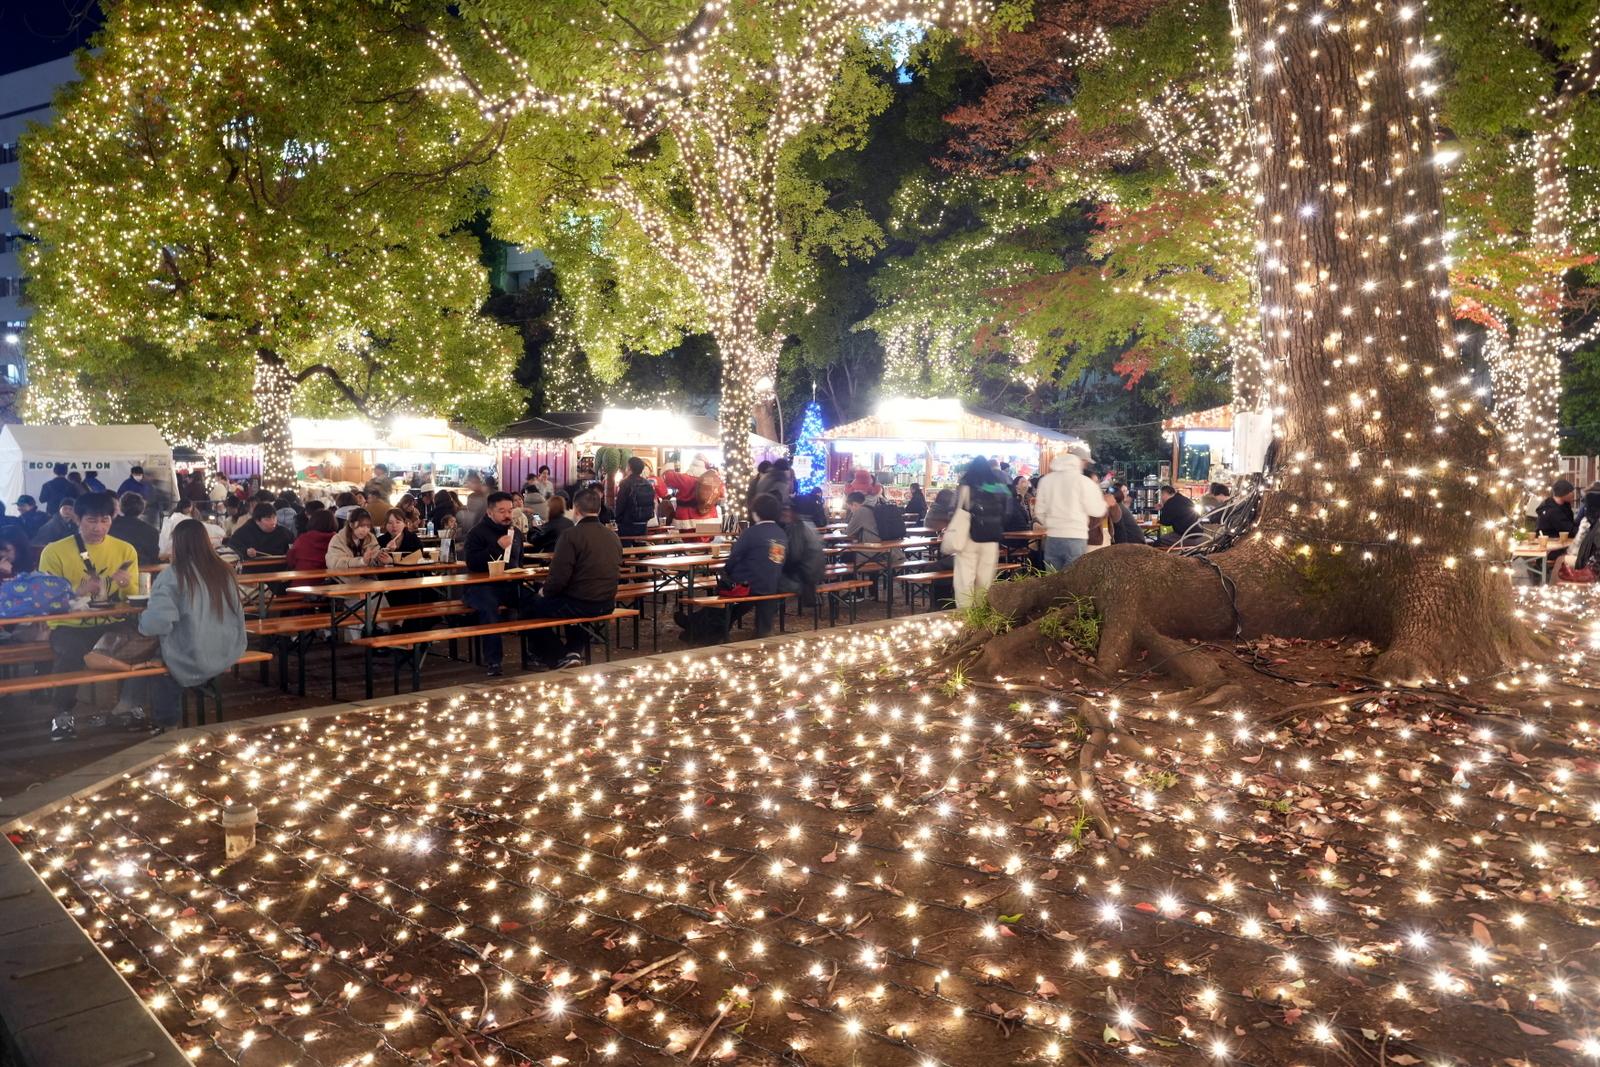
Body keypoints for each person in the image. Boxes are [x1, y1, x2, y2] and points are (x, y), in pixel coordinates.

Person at [38, 492, 140, 741]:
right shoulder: (55, 552)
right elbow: (46, 599)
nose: (99, 527)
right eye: (91, 520)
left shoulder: (125, 550)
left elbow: (134, 595)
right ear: (77, 519)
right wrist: (77, 592)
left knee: (139, 643)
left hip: (111, 622)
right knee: (70, 653)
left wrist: (126, 584)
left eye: (105, 520)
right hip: (69, 624)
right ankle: (62, 714)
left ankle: (127, 706)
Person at [134, 518, 248, 734]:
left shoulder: (173, 575)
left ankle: (166, 724)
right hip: (228, 648)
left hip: (192, 653)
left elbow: (156, 624)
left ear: (176, 545)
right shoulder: (224, 570)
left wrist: (140, 621)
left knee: (154, 665)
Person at [525, 487, 621, 668]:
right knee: (569, 602)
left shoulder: (571, 535)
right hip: (607, 602)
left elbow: (559, 577)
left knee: (530, 608)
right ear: (599, 510)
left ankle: (559, 655)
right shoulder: (612, 536)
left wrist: (544, 591)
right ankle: (573, 651)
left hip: (580, 603)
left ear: (575, 510)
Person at [462, 492, 529, 676]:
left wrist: (521, 574)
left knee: (536, 602)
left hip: (510, 585)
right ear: (490, 512)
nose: (507, 515)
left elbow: (519, 561)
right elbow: (472, 563)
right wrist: (496, 546)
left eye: (510, 510)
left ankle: (536, 653)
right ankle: (494, 661)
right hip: (481, 587)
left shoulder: (515, 533)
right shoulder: (476, 533)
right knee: (489, 608)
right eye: (502, 511)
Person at [720, 493, 789, 636]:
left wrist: (726, 572)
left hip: (748, 584)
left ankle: (706, 625)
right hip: (771, 583)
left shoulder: (751, 533)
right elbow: (777, 560)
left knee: (723, 587)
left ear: (756, 513)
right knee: (763, 590)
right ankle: (764, 629)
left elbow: (734, 557)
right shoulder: (781, 533)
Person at [1033, 449, 1107, 571]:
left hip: (1052, 537)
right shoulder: (1084, 482)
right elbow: (1097, 510)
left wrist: (1050, 524)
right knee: (1072, 583)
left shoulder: (1046, 481)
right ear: (1080, 462)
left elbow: (1039, 511)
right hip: (1076, 536)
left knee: (1051, 582)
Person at [951, 457, 1009, 610]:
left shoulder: (965, 485)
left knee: (965, 576)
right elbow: (1008, 511)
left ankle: (965, 613)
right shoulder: (998, 487)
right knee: (985, 578)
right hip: (991, 538)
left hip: (968, 537)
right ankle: (982, 611)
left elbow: (952, 508)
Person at [778, 499, 824, 610]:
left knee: (768, 582)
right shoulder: (808, 524)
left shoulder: (797, 527)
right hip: (814, 576)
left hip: (803, 580)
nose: (783, 513)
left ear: (793, 512)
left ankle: (768, 617)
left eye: (786, 510)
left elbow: (794, 556)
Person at [325, 507, 383, 578]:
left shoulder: (370, 538)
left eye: (368, 526)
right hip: (343, 580)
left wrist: (385, 554)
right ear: (351, 524)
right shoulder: (338, 539)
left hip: (367, 579)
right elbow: (335, 563)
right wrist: (361, 561)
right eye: (361, 526)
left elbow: (375, 558)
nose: (365, 530)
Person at [159, 500, 226, 558]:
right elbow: (205, 529)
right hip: (177, 549)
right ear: (188, 509)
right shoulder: (184, 520)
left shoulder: (170, 518)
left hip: (166, 549)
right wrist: (220, 531)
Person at [227, 502, 294, 560]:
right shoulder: (246, 531)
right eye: (267, 519)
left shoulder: (283, 532)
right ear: (257, 521)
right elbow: (232, 543)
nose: (272, 522)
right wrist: (245, 551)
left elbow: (293, 546)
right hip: (254, 570)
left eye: (274, 517)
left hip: (280, 570)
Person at [111, 492, 161, 566]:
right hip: (142, 572)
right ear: (142, 509)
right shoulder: (152, 531)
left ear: (121, 507)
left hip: (110, 570)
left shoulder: (109, 526)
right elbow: (153, 559)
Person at [614, 456, 657, 538]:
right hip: (643, 523)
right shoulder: (648, 483)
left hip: (627, 524)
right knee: (641, 547)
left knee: (626, 548)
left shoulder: (625, 483)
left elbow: (620, 504)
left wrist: (618, 519)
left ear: (629, 467)